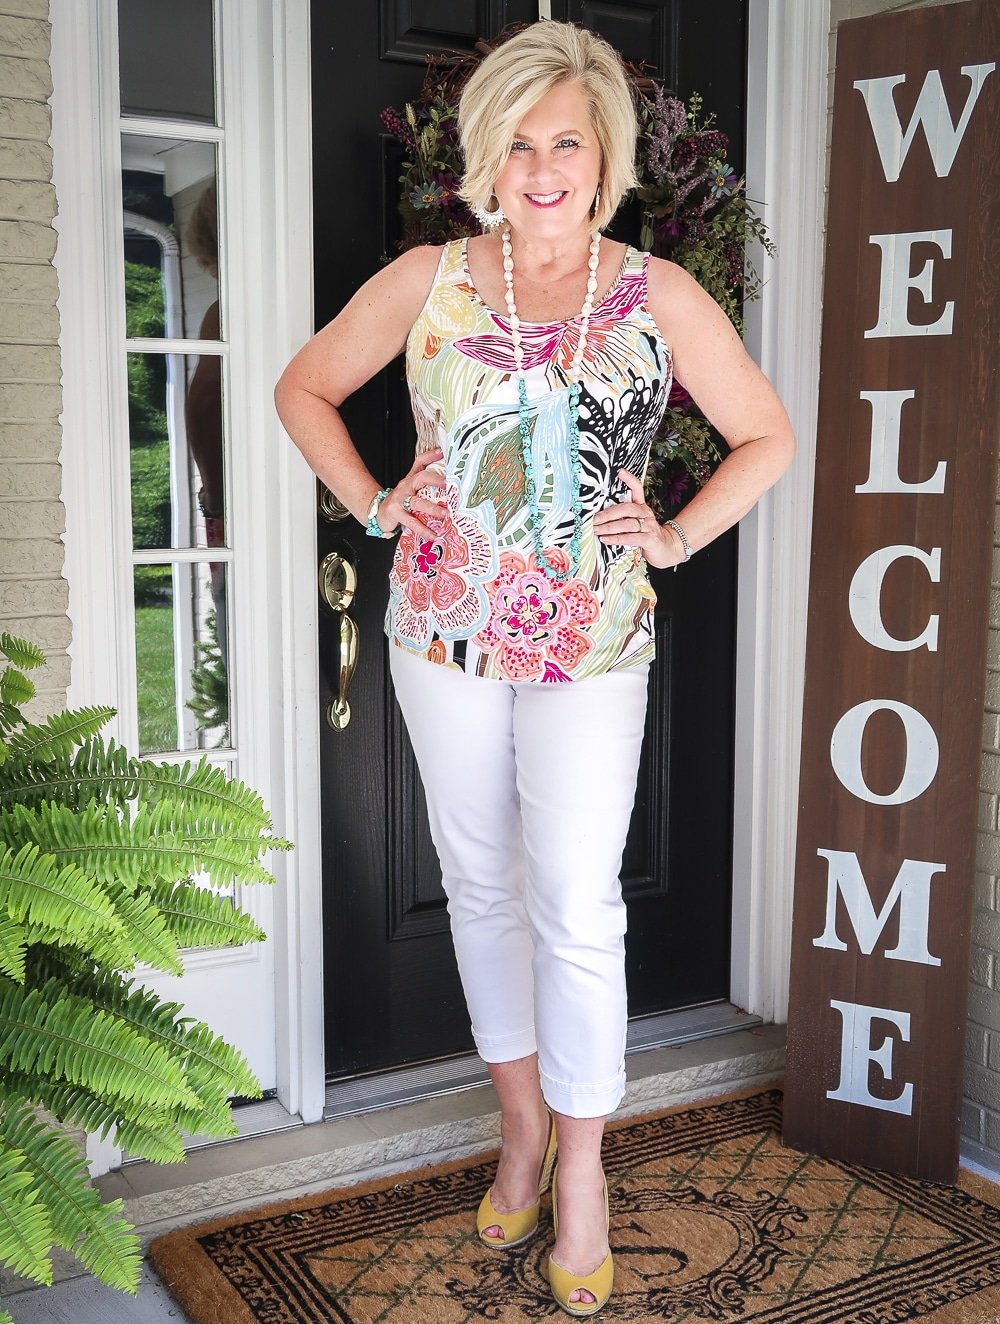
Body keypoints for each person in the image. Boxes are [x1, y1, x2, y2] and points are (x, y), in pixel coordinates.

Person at [275, 20, 794, 1317]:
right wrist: (380, 503)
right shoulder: (432, 279)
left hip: (591, 648)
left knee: (575, 902)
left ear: (603, 154)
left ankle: (582, 1178)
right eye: (519, 139)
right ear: (485, 155)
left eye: (567, 138)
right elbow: (304, 390)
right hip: (442, 636)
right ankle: (520, 1131)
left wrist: (673, 534)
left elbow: (767, 436)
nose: (542, 163)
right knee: (481, 886)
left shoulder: (655, 294)